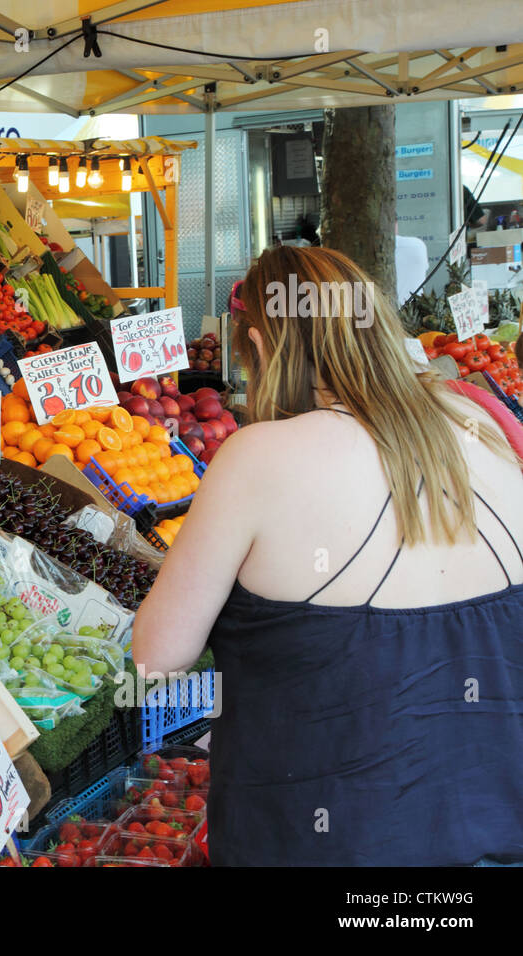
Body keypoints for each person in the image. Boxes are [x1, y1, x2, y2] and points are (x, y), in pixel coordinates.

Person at [131, 245, 523, 867]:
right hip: (492, 835)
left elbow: (157, 659)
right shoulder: (479, 424)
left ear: (261, 345)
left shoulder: (257, 456)